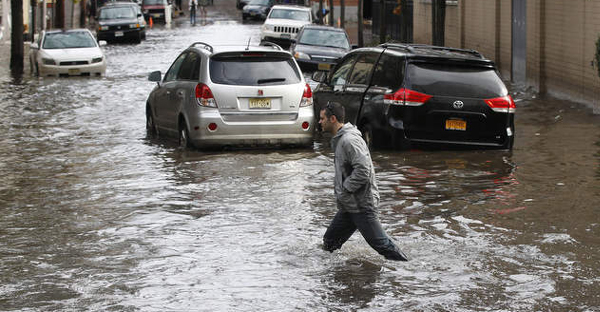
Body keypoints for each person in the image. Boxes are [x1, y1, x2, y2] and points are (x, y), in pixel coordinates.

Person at [319, 101, 409, 261]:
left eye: (322, 119)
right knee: (330, 242)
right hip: (349, 206)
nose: (320, 122)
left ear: (332, 119)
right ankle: (334, 273)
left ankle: (408, 269)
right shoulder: (340, 140)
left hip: (361, 205)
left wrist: (345, 188)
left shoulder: (349, 141)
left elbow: (364, 170)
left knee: (383, 246)